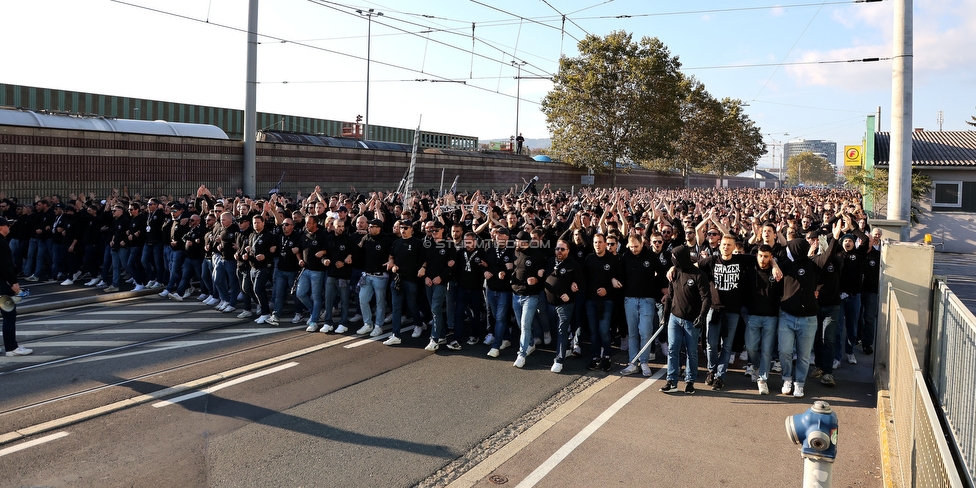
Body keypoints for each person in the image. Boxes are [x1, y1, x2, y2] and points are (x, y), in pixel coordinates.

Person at [659, 245, 710, 394]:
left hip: (691, 321)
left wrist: (702, 316)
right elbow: (669, 295)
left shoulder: (699, 275)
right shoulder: (674, 274)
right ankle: (671, 381)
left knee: (691, 352)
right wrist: (665, 315)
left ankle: (690, 381)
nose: (673, 261)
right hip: (675, 318)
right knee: (672, 349)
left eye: (675, 258)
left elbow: (706, 298)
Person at [620, 234, 666, 377]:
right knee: (633, 333)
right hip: (630, 299)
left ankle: (644, 361)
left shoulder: (651, 256)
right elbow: (619, 273)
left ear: (642, 244)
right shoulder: (625, 257)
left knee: (645, 332)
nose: (634, 249)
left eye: (636, 246)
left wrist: (661, 287)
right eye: (631, 246)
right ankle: (633, 362)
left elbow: (662, 272)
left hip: (647, 299)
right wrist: (615, 280)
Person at [544, 239, 584, 373]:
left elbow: (581, 285)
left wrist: (570, 294)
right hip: (550, 303)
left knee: (562, 330)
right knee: (555, 330)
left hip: (565, 304)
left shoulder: (574, 265)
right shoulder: (550, 262)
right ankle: (566, 349)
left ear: (568, 250)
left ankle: (559, 360)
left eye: (562, 249)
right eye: (557, 249)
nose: (559, 251)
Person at [1, 216, 32, 356]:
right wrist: (13, 282)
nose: (9, 227)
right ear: (1, 227)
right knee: (9, 315)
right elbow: (6, 266)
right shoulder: (1, 243)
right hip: (3, 286)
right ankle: (11, 347)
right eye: (7, 225)